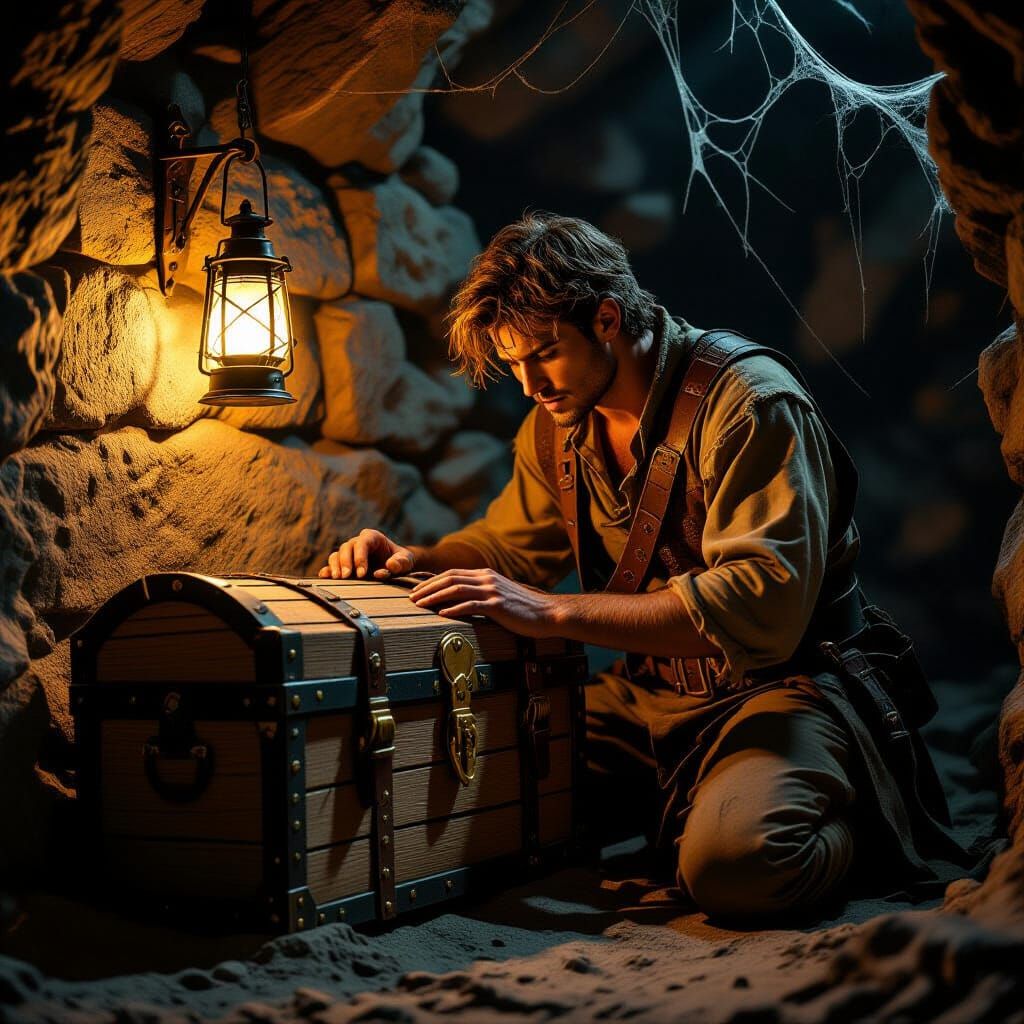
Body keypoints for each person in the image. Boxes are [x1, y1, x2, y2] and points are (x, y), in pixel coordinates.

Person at [318, 212, 982, 921]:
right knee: (476, 805)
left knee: (740, 868)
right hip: (643, 702)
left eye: (543, 353)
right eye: (513, 365)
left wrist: (555, 611)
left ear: (606, 317)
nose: (529, 385)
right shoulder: (559, 421)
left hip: (780, 687)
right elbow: (510, 548)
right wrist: (415, 558)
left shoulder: (750, 403)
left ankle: (859, 821)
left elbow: (760, 601)